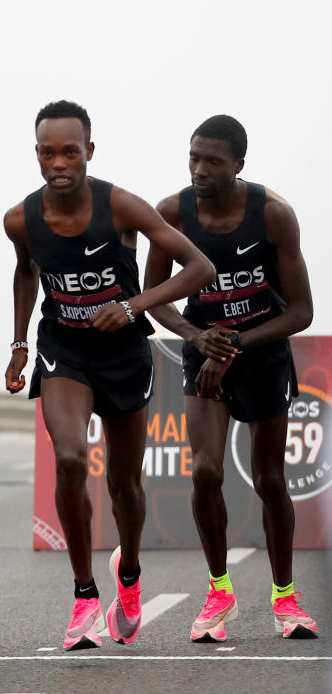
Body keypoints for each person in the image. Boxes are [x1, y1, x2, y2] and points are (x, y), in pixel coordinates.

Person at [4, 101, 215, 651]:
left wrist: (133, 305)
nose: (59, 162)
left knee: (125, 485)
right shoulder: (18, 219)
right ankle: (83, 596)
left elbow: (200, 268)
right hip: (64, 353)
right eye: (48, 152)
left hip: (123, 354)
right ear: (37, 155)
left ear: (89, 152)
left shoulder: (121, 206)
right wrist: (20, 342)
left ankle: (129, 575)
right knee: (71, 459)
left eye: (69, 151)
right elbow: (26, 271)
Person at [146, 115, 317, 641]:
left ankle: (285, 600)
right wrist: (199, 340)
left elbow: (301, 312)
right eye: (193, 157)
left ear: (239, 164)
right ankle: (219, 593)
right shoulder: (172, 213)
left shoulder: (273, 215)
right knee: (206, 472)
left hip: (261, 352)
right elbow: (155, 296)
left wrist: (237, 343)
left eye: (212, 161)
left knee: (269, 479)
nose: (198, 169)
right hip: (204, 351)